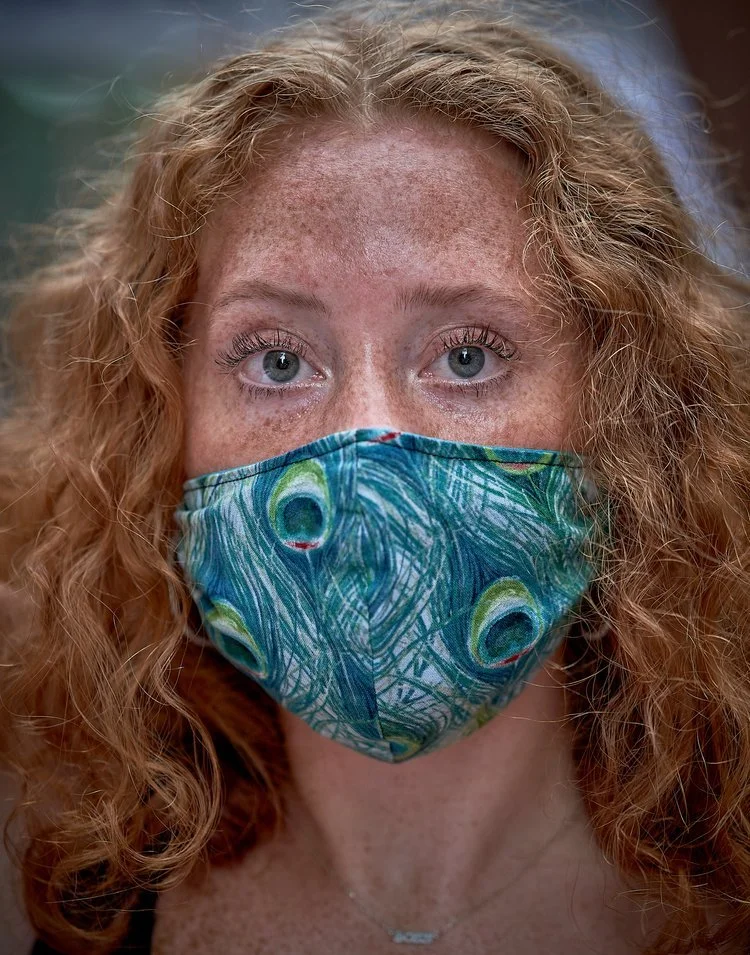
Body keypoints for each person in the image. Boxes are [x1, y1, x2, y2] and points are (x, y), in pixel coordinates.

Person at [0, 1, 748, 952]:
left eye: (468, 356)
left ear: (626, 406)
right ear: (163, 413)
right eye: (277, 359)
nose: (365, 441)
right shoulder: (43, 861)